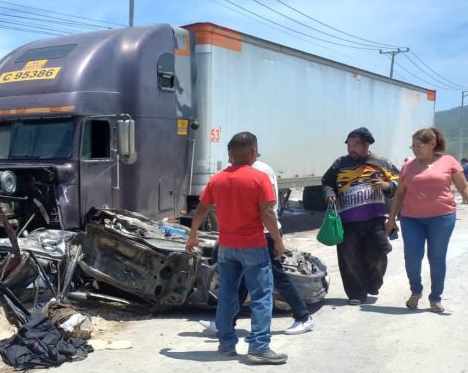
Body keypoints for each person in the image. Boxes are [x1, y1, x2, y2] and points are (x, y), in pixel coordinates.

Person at [186, 132, 287, 364]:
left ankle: (226, 343)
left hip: (227, 247)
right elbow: (267, 212)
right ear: (252, 152)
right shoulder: (258, 178)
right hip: (253, 245)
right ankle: (259, 347)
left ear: (230, 154)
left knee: (227, 294)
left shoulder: (217, 179)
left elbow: (201, 209)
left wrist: (192, 236)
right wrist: (278, 241)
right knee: (261, 295)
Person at [199, 157, 315, 336]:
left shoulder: (261, 171)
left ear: (250, 151)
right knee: (242, 281)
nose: (230, 159)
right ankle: (226, 322)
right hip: (253, 234)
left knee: (276, 276)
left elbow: (268, 208)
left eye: (234, 153)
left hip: (264, 233)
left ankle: (303, 316)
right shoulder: (246, 171)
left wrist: (277, 240)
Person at [385, 128, 468, 313]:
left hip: (442, 218)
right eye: (412, 146)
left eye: (418, 146)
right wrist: (391, 219)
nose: (415, 150)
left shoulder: (448, 161)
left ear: (432, 144)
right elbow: (399, 195)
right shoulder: (408, 165)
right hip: (411, 219)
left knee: (436, 258)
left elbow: (464, 188)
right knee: (412, 258)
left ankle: (435, 297)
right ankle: (416, 291)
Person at [322, 127, 399, 305]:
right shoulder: (339, 163)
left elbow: (399, 180)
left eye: (355, 144)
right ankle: (356, 293)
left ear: (366, 144)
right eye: (348, 145)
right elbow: (327, 182)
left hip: (375, 219)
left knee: (379, 253)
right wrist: (329, 194)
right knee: (350, 258)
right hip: (347, 221)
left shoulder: (381, 162)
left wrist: (387, 186)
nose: (351, 149)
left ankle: (373, 283)